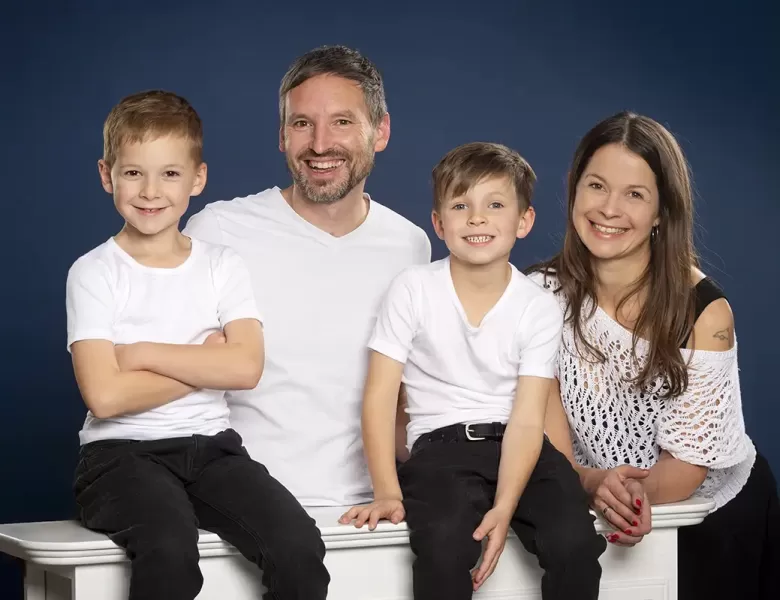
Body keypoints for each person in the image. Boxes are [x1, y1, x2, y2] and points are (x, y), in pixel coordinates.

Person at [65, 90, 329, 600]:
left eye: (169, 173)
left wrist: (140, 354)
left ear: (197, 179)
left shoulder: (221, 265)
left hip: (213, 450)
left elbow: (247, 367)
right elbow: (106, 398)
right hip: (119, 458)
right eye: (133, 172)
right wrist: (206, 361)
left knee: (298, 545)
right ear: (107, 175)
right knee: (168, 548)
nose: (150, 191)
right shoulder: (94, 272)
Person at [528, 111, 780, 600]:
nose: (609, 209)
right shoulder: (539, 295)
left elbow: (688, 468)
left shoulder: (705, 312)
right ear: (574, 189)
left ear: (663, 211)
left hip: (714, 517)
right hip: (601, 507)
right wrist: (592, 483)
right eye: (596, 186)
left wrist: (625, 496)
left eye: (635, 194)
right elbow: (551, 440)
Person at [340, 142, 606, 600]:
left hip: (523, 448)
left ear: (524, 221)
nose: (477, 218)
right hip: (441, 450)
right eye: (461, 205)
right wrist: (386, 490)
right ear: (439, 223)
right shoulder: (413, 289)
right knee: (443, 546)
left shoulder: (537, 308)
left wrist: (505, 507)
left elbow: (527, 418)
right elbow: (379, 396)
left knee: (574, 544)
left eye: (495, 205)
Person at [183, 45, 431, 506]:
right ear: (282, 135)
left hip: (369, 514)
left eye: (342, 121)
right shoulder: (217, 231)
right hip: (235, 510)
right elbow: (175, 381)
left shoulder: (410, 245)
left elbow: (404, 395)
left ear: (381, 131)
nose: (320, 144)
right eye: (302, 123)